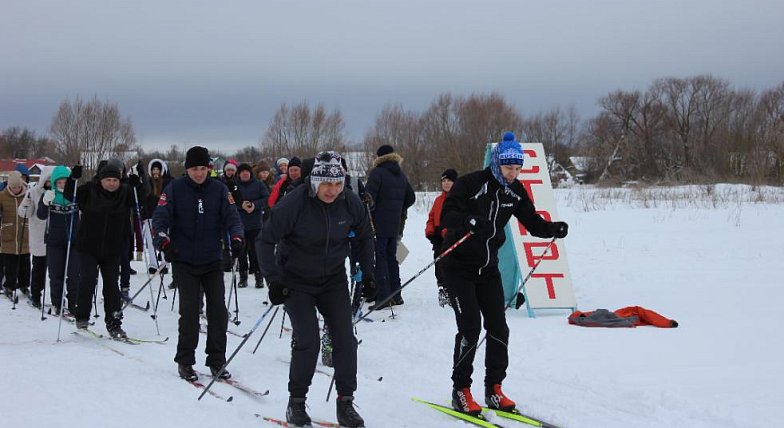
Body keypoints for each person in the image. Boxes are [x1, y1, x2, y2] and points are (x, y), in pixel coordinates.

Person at [439, 132, 569, 415]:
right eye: (509, 167)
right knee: (470, 328)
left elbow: (532, 222)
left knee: (499, 327)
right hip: (458, 267)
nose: (513, 173)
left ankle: (494, 388)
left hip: (488, 270)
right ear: (498, 163)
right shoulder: (471, 183)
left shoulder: (516, 191)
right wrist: (469, 220)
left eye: (518, 168)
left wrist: (552, 228)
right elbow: (447, 215)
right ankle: (460, 390)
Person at [259, 151, 375, 428]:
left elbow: (366, 235)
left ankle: (345, 402)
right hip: (295, 281)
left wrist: (368, 274)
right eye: (326, 184)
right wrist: (274, 280)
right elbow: (265, 241)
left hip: (332, 279)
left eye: (337, 184)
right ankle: (296, 402)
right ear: (315, 182)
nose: (332, 191)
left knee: (345, 339)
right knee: (308, 339)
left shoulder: (349, 201)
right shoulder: (295, 202)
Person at [152, 146, 244, 381]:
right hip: (184, 260)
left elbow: (233, 217)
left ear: (209, 169)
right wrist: (164, 242)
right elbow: (160, 220)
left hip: (212, 259)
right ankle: (185, 361)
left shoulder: (219, 190)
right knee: (190, 313)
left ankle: (216, 360)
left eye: (203, 168)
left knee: (218, 312)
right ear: (187, 169)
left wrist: (237, 238)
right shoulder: (174, 189)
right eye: (194, 169)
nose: (199, 173)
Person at [64, 161, 145, 337]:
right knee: (87, 280)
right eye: (108, 180)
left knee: (111, 285)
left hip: (112, 248)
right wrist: (72, 178)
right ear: (101, 179)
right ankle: (82, 315)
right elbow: (70, 195)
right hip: (89, 246)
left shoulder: (125, 192)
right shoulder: (89, 190)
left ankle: (114, 322)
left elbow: (142, 198)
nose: (111, 183)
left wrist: (138, 183)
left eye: (115, 180)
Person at [365, 145, 415, 309]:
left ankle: (384, 297)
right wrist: (398, 209)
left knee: (380, 259)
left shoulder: (377, 173)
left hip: (378, 223)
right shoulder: (400, 175)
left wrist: (372, 208)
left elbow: (368, 198)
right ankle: (396, 294)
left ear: (379, 157)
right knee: (392, 258)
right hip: (394, 224)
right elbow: (411, 197)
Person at [37, 166, 80, 315]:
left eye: (65, 182)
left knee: (74, 274)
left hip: (74, 241)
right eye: (59, 182)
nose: (62, 185)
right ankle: (57, 303)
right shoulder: (50, 195)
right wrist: (44, 202)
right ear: (55, 183)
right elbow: (41, 215)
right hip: (54, 241)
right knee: (56, 274)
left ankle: (74, 303)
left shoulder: (75, 195)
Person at [17, 166, 54, 308]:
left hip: (55, 236)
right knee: (38, 268)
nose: (50, 183)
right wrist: (26, 205)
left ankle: (56, 297)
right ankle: (36, 295)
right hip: (39, 235)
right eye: (48, 180)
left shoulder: (59, 192)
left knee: (56, 270)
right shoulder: (33, 192)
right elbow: (23, 213)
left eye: (52, 180)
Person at [425, 168, 458, 308]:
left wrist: (444, 232)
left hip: (451, 240)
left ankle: (454, 292)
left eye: (449, 180)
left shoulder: (459, 198)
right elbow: (431, 218)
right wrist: (431, 232)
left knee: (452, 265)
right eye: (444, 181)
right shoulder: (439, 200)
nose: (446, 183)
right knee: (439, 265)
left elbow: (457, 220)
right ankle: (443, 289)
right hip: (438, 241)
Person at [235, 163, 268, 288]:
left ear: (250, 173)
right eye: (242, 172)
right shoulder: (234, 186)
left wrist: (254, 205)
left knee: (256, 252)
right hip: (239, 224)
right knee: (241, 252)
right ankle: (243, 277)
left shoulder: (259, 184)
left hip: (255, 223)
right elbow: (229, 200)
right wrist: (241, 205)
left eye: (247, 172)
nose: (245, 174)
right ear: (239, 174)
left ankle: (259, 277)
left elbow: (266, 199)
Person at [0, 171, 31, 299]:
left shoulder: (28, 195)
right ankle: (9, 286)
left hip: (25, 234)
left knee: (25, 263)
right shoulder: (2, 196)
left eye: (18, 187)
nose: (16, 190)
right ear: (9, 186)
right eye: (13, 187)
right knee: (10, 263)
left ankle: (24, 285)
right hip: (8, 234)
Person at [141, 158, 173, 275]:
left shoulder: (167, 183)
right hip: (150, 216)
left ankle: (164, 263)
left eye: (157, 169)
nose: (155, 172)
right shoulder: (148, 183)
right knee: (151, 241)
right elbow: (144, 198)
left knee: (164, 239)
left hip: (164, 217)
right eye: (153, 169)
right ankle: (153, 264)